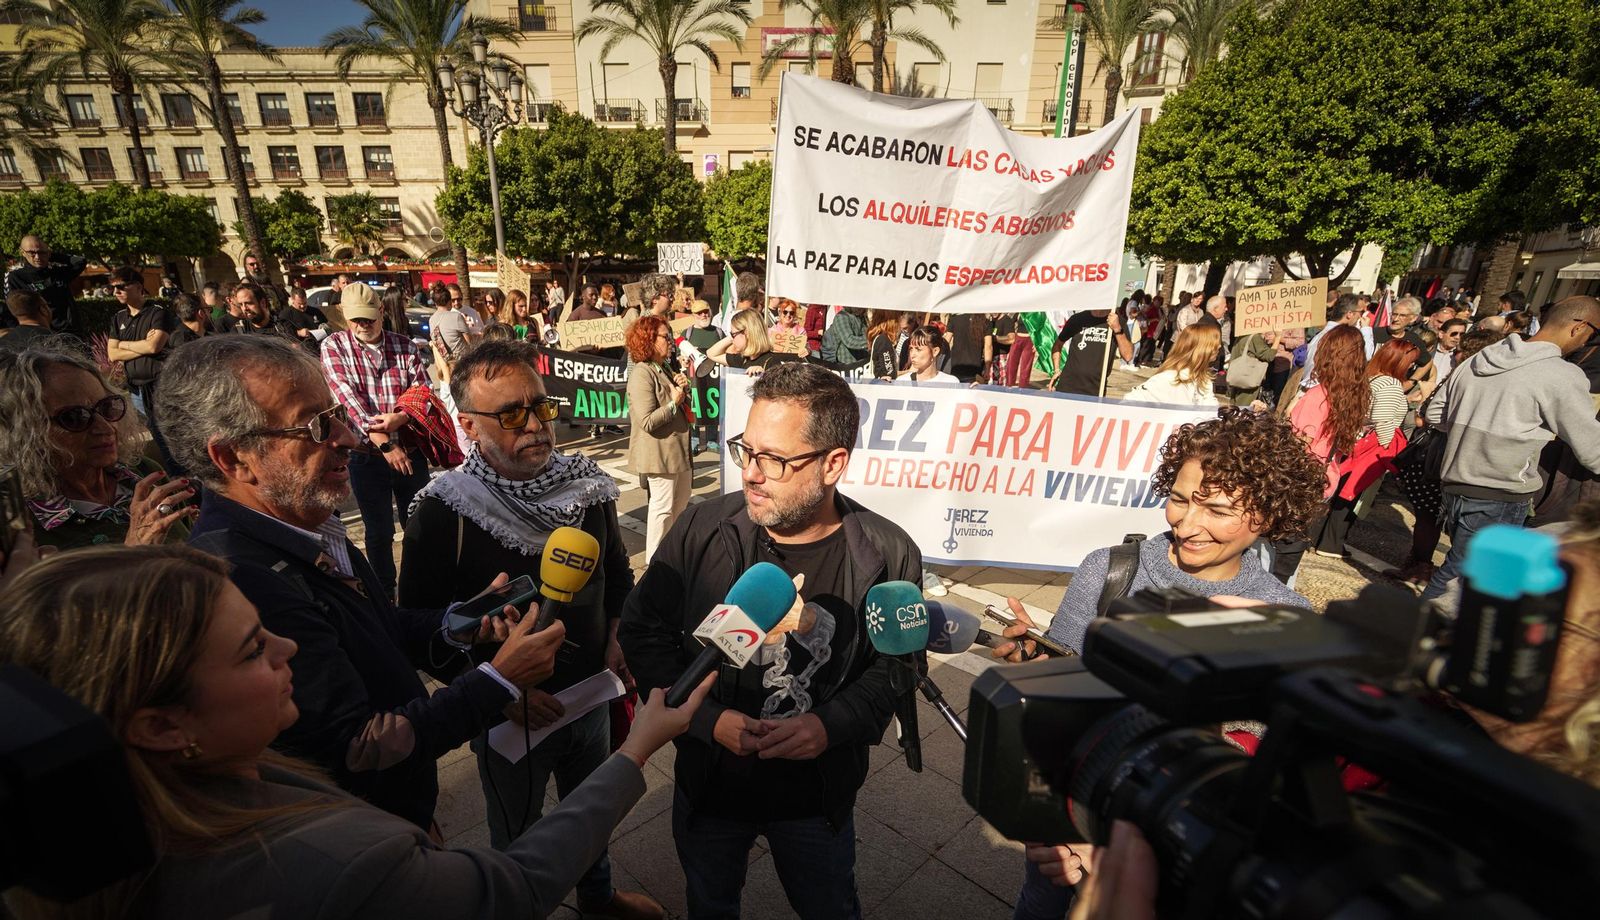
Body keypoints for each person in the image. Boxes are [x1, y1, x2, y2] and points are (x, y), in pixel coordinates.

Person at [0, 543, 715, 920]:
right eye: (254, 649)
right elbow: (512, 887)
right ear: (159, 725)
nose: (288, 652)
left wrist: (458, 623)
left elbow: (392, 626)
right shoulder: (337, 863)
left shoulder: (183, 788)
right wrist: (636, 750)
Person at [158, 334, 566, 830]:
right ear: (233, 458)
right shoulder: (238, 582)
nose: (348, 438)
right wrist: (499, 680)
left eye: (336, 414)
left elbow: (377, 626)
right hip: (361, 830)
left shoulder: (307, 521)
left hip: (400, 808)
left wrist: (459, 620)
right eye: (315, 426)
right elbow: (358, 747)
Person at [620, 362, 921, 920]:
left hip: (816, 797)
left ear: (833, 464)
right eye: (747, 451)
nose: (752, 474)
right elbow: (642, 632)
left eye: (775, 460)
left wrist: (829, 726)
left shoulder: (889, 555)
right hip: (711, 787)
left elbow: (897, 673)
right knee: (710, 902)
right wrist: (707, 721)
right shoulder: (702, 527)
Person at [398, 340, 662, 920]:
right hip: (507, 716)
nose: (537, 425)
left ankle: (597, 897)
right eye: (512, 414)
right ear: (467, 424)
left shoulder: (587, 485)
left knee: (591, 810)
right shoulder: (443, 509)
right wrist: (500, 687)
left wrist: (618, 631)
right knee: (517, 836)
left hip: (589, 696)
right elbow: (417, 629)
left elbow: (617, 571)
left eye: (540, 407)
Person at [991, 407, 1322, 656]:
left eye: (1218, 511)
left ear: (1268, 516)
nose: (1187, 527)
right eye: (1179, 500)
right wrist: (1042, 660)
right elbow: (1062, 674)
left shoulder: (1286, 615)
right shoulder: (1108, 570)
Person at [1420, 296, 1600, 600]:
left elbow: (1436, 413)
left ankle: (1427, 635)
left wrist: (1477, 424)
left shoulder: (1483, 356)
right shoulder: (1562, 375)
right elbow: (1591, 447)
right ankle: (1411, 635)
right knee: (1465, 578)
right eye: (1592, 335)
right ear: (1578, 328)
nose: (1589, 342)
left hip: (1455, 482)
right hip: (1500, 490)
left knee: (1465, 572)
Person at [0, 341, 195, 550]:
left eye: (107, 406)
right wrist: (133, 551)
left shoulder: (143, 474)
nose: (106, 427)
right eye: (75, 417)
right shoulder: (16, 521)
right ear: (26, 430)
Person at [319, 281, 433, 597]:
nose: (363, 325)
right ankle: (385, 594)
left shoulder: (405, 347)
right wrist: (385, 442)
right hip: (368, 456)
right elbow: (349, 401)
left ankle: (422, 587)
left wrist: (402, 417)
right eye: (356, 319)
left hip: (409, 451)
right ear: (344, 315)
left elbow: (423, 395)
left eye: (369, 318)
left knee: (418, 525)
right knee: (379, 531)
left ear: (381, 312)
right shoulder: (334, 347)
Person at [1306, 339, 1415, 559]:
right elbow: (1383, 419)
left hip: (1353, 439)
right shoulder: (1391, 385)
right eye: (1411, 361)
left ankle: (1315, 536)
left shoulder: (1369, 378)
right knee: (1351, 494)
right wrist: (1387, 446)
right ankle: (1331, 543)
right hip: (1371, 446)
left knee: (1337, 488)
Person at [626, 316, 694, 562]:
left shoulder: (663, 367)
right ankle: (654, 561)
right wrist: (674, 403)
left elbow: (676, 402)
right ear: (649, 340)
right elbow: (647, 421)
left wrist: (682, 389)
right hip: (659, 454)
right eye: (666, 337)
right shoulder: (642, 373)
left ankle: (672, 556)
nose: (670, 343)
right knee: (662, 510)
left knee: (679, 507)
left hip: (676, 451)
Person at [105, 266, 178, 462]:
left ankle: (187, 474)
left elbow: (154, 347)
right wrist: (141, 345)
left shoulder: (157, 313)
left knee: (171, 430)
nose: (116, 292)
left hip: (159, 384)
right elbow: (111, 354)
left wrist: (124, 344)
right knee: (156, 432)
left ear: (137, 286)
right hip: (136, 389)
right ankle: (175, 475)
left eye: (120, 286)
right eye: (112, 288)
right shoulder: (119, 318)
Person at [1125, 323, 1221, 407]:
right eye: (1215, 343)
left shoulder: (1203, 378)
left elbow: (1211, 408)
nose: (1219, 346)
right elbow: (1128, 402)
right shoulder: (1169, 378)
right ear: (1200, 348)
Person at [3, 234, 85, 331]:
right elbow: (12, 309)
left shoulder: (56, 272)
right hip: (42, 336)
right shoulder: (15, 277)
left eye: (41, 252)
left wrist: (50, 255)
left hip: (71, 332)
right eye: (32, 253)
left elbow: (80, 261)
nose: (37, 257)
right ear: (23, 252)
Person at [1050, 308, 1133, 398]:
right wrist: (1056, 370)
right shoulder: (1078, 319)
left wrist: (1117, 329)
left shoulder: (1117, 321)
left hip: (1095, 390)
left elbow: (1128, 356)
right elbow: (1058, 345)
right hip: (1066, 386)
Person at [1301, 294, 1377, 390]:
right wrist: (1366, 328)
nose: (1362, 316)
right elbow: (1365, 355)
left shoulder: (1321, 334)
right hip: (1320, 392)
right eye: (1361, 312)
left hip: (1312, 389)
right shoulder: (1341, 337)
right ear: (1349, 314)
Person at [706, 308, 801, 373]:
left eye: (733, 334)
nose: (732, 340)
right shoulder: (742, 359)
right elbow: (711, 353)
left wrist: (764, 374)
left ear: (746, 332)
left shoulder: (772, 362)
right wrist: (732, 336)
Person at [1224, 330, 1277, 407]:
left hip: (1238, 378)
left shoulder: (1241, 335)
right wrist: (1278, 338)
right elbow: (1269, 356)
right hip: (1248, 380)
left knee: (1236, 407)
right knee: (1245, 409)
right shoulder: (1255, 337)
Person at [945, 311, 992, 383]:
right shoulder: (985, 322)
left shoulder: (954, 319)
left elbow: (946, 342)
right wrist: (987, 369)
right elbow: (988, 347)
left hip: (956, 367)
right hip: (974, 370)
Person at [429, 280, 472, 359]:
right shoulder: (456, 317)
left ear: (435, 303)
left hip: (444, 364)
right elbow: (469, 342)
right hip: (461, 362)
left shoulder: (431, 320)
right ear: (449, 301)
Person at [279, 285, 330, 350]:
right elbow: (282, 332)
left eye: (305, 303)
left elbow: (327, 324)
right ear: (292, 300)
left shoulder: (315, 311)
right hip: (301, 351)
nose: (302, 306)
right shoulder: (285, 314)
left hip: (319, 348)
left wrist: (325, 327)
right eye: (299, 304)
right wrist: (298, 333)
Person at [866, 309, 900, 380]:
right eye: (897, 319)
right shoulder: (883, 341)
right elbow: (889, 374)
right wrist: (909, 371)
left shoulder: (879, 338)